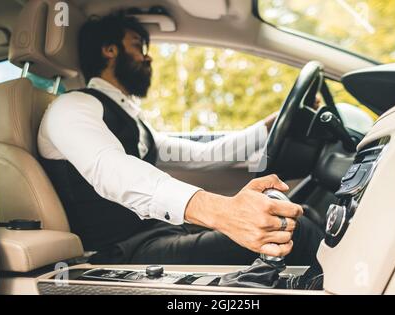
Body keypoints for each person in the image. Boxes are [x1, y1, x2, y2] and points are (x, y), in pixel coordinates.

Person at [38, 11, 324, 266]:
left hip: (160, 235)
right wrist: (222, 212)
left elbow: (204, 154)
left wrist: (274, 123)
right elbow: (111, 171)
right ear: (109, 50)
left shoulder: (133, 122)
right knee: (294, 232)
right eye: (138, 46)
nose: (147, 56)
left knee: (297, 214)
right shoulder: (72, 107)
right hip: (119, 254)